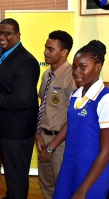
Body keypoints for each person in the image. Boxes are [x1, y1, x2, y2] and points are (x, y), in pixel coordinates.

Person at [0, 18, 40, 199]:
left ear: (18, 35)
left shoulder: (27, 61)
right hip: (5, 124)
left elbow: (23, 99)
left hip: (19, 129)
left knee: (18, 173)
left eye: (7, 33)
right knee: (10, 171)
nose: (1, 37)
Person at [53, 40, 109, 199]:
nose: (77, 72)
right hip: (69, 168)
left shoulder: (107, 99)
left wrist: (83, 190)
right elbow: (73, 125)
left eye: (83, 67)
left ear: (98, 67)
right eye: (74, 67)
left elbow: (105, 151)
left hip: (92, 174)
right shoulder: (75, 95)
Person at [34, 30, 76, 199]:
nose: (45, 52)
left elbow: (73, 117)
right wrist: (37, 136)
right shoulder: (46, 75)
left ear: (64, 52)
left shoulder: (72, 77)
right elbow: (42, 107)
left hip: (60, 143)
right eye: (45, 48)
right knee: (47, 187)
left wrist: (52, 147)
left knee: (63, 187)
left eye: (50, 49)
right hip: (43, 139)